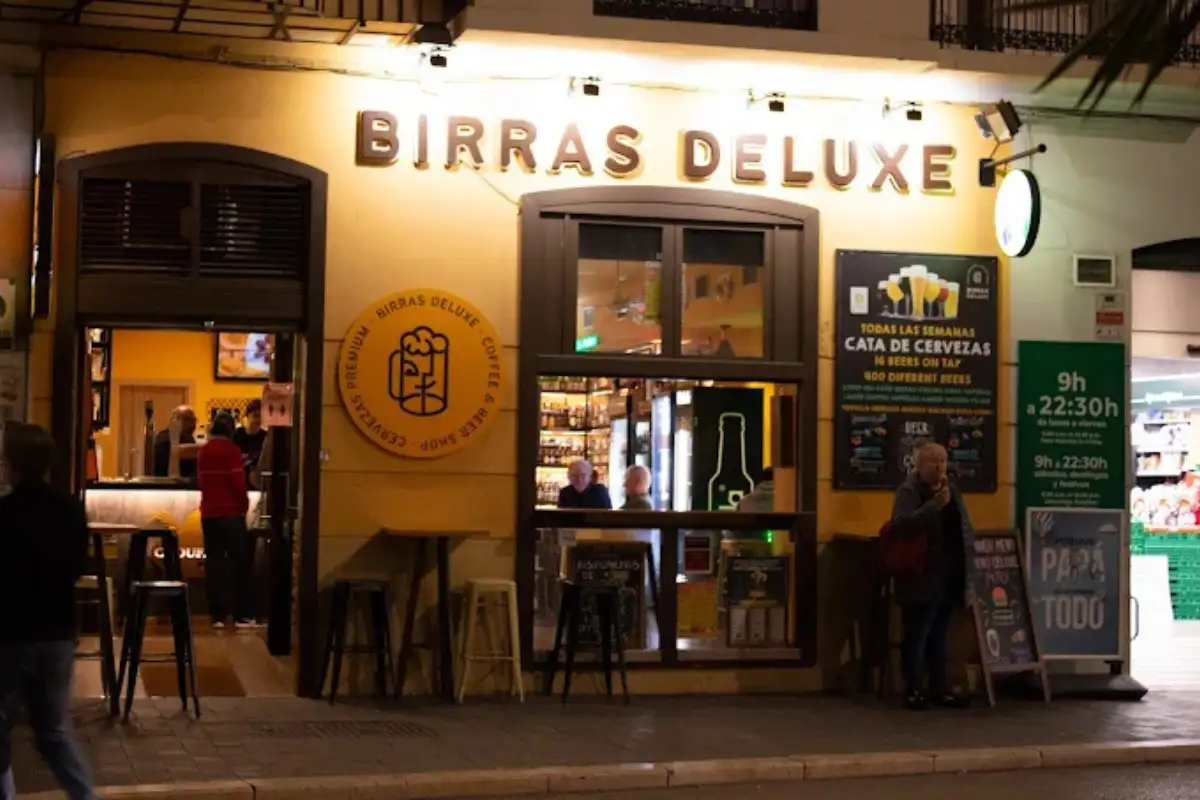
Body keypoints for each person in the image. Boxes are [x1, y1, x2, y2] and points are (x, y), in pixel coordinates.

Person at [0, 423, 96, 800]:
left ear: (14, 464)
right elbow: (75, 567)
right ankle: (85, 795)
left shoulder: (5, 513)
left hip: (10, 633)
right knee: (53, 731)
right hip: (57, 632)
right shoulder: (70, 510)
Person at [890, 442, 974, 711]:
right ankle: (913, 688)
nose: (939, 467)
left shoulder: (953, 492)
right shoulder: (910, 491)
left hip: (948, 573)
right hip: (920, 574)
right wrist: (933, 507)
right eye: (933, 462)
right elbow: (901, 526)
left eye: (943, 461)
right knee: (918, 633)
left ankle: (939, 688)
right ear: (919, 466)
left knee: (939, 633)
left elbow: (963, 526)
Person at [198, 412, 253, 630]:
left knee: (214, 564)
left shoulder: (204, 451)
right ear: (231, 431)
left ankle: (217, 616)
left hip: (209, 514)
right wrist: (244, 506)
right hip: (231, 514)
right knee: (239, 565)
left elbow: (202, 481)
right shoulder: (232, 451)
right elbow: (238, 483)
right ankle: (242, 615)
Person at [152, 405, 200, 479]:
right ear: (174, 421)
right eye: (188, 419)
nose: (192, 424)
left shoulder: (188, 437)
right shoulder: (164, 440)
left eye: (194, 420)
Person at [234, 399, 268, 487]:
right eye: (256, 416)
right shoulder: (236, 435)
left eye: (261, 416)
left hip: (256, 482)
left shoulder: (265, 437)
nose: (258, 420)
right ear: (247, 416)